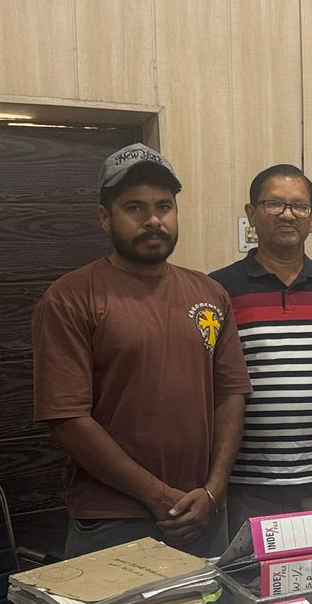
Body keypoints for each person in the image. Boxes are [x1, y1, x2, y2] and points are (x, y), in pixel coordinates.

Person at [32, 143, 250, 557]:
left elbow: (231, 393)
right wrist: (158, 495)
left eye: (164, 206)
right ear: (105, 217)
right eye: (135, 208)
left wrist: (214, 489)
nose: (153, 220)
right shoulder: (70, 297)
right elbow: (67, 419)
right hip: (114, 518)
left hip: (203, 513)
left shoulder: (210, 293)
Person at [211, 164, 312, 531]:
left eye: (299, 206)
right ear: (251, 214)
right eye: (274, 204)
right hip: (245, 480)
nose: (287, 214)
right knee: (250, 567)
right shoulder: (218, 289)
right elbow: (208, 387)